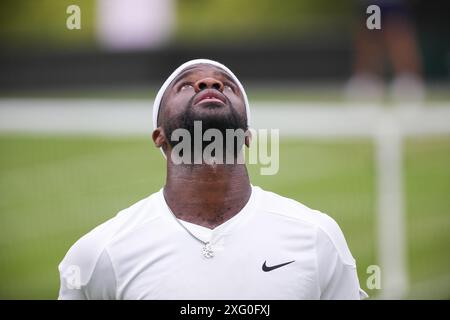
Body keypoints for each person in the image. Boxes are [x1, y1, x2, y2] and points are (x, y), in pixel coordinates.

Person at [58, 59, 368, 300]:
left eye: (227, 86)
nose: (209, 82)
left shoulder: (317, 237)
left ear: (247, 136)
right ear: (159, 135)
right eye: (184, 86)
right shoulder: (99, 253)